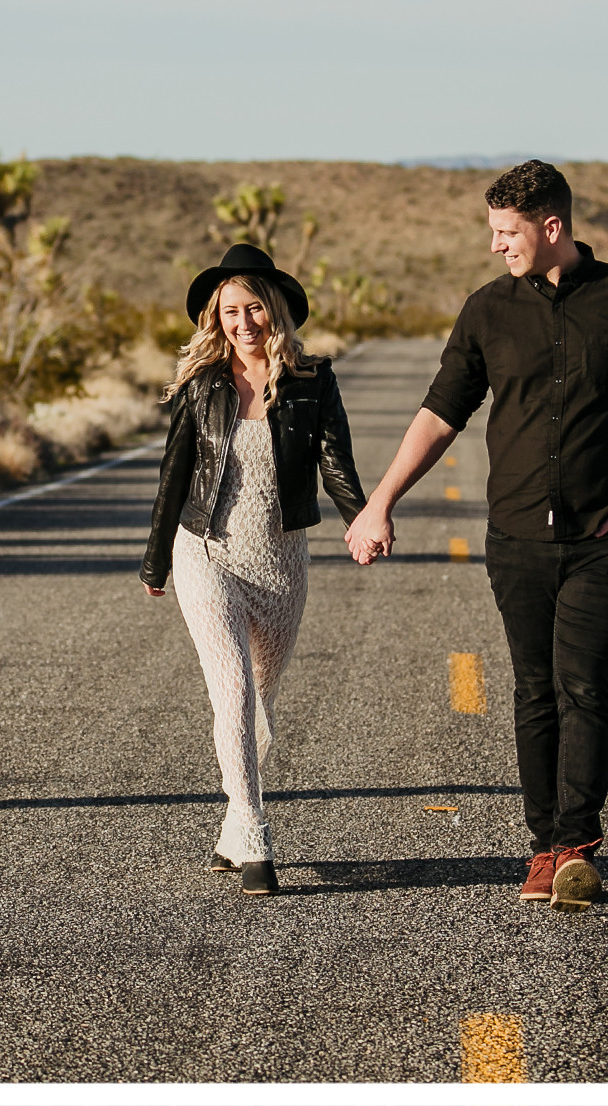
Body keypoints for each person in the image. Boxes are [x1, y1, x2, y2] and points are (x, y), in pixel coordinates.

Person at [345, 161, 608, 914]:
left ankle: (578, 846)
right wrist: (380, 503)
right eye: (494, 232)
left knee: (583, 685)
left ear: (551, 227)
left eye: (507, 232)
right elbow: (441, 413)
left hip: (606, 535)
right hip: (517, 537)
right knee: (534, 690)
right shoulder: (488, 311)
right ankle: (544, 848)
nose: (497, 246)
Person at [142, 243, 371, 896]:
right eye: (230, 311)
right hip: (205, 552)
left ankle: (230, 824)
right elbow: (173, 477)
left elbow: (336, 463)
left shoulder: (311, 381)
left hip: (281, 562)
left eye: (253, 309)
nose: (243, 322)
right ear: (216, 319)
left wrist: (361, 519)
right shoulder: (201, 385)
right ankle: (253, 828)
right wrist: (156, 560)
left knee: (259, 706)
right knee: (233, 694)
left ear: (274, 311)